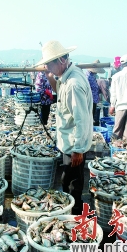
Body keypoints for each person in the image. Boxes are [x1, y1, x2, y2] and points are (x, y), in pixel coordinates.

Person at [35, 40, 93, 215]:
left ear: (61, 60)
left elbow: (81, 119)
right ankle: (71, 211)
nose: (47, 66)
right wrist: (48, 75)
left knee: (73, 184)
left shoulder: (74, 84)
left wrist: (78, 149)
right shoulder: (67, 76)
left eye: (49, 63)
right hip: (68, 141)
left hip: (74, 145)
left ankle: (74, 216)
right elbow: (59, 91)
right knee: (68, 180)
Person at [86, 59, 105, 126]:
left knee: (91, 117)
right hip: (90, 101)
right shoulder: (88, 77)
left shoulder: (92, 76)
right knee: (89, 118)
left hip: (94, 100)